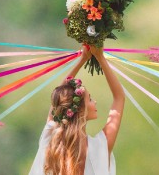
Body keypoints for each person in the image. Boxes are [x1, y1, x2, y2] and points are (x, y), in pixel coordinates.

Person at [29, 45, 125, 175]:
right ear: (80, 109)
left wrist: (82, 59)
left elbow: (60, 97)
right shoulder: (100, 146)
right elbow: (119, 97)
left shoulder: (51, 138)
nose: (94, 101)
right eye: (90, 99)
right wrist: (100, 57)